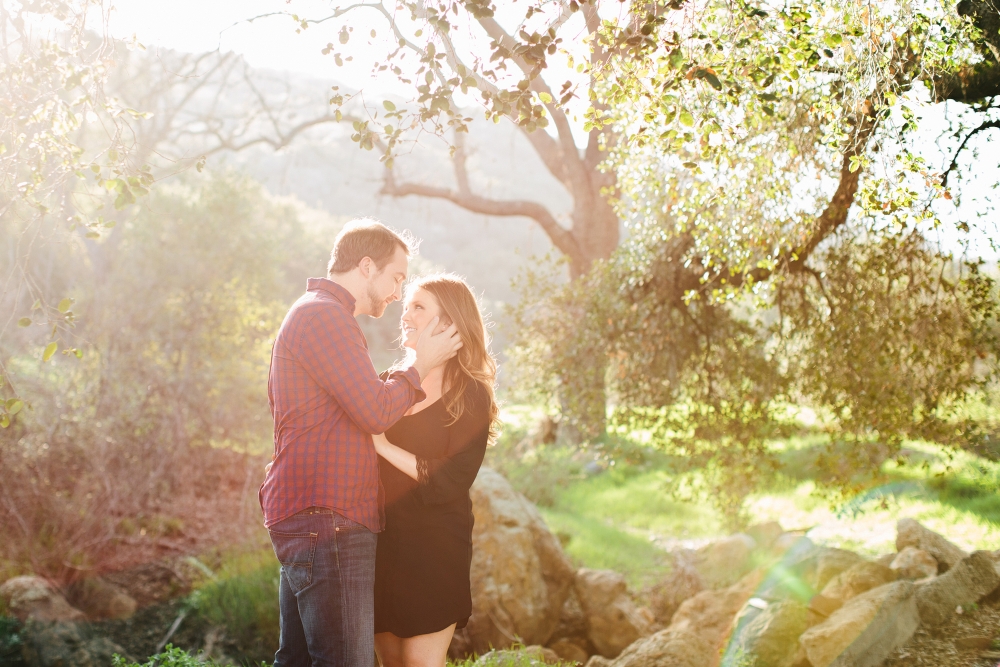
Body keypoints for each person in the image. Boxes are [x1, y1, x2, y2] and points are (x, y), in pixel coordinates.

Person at [259, 220, 462, 667]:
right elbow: (373, 411)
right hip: (327, 517)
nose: (396, 293)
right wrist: (421, 364)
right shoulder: (324, 315)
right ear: (366, 266)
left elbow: (361, 406)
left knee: (295, 660)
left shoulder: (322, 314)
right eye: (396, 278)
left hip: (315, 514)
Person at [371, 274, 500, 667]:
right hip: (380, 546)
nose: (404, 313)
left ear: (448, 323)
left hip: (435, 550)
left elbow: (450, 480)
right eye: (406, 304)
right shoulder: (388, 385)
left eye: (418, 306)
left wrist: (383, 446)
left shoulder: (471, 395)